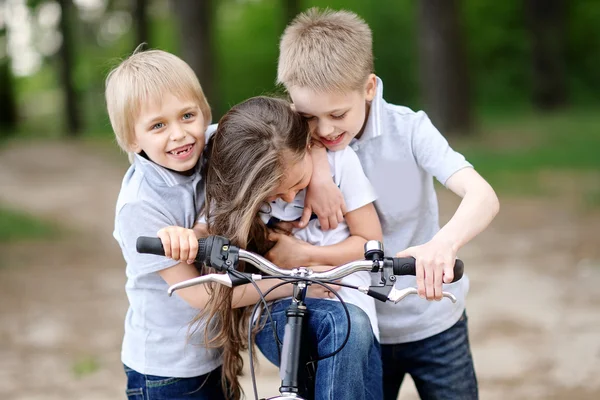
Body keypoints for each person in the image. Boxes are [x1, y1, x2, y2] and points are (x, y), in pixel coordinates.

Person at [268, 8, 500, 400]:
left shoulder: (409, 129)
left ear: (370, 87)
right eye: (309, 117)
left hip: (433, 319)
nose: (324, 131)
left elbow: (483, 196)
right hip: (358, 330)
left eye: (338, 114)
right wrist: (319, 167)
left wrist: (441, 245)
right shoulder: (290, 138)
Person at [107, 49, 321, 400]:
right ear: (133, 139)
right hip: (169, 368)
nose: (179, 135)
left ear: (204, 112)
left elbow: (298, 127)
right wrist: (288, 283)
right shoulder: (140, 205)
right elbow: (201, 295)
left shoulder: (216, 142)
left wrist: (322, 177)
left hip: (215, 354)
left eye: (187, 115)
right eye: (158, 125)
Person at [161, 96, 384, 399]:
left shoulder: (339, 164)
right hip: (278, 311)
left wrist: (306, 257)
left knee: (349, 327)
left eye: (297, 183)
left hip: (352, 308)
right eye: (274, 195)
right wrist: (185, 237)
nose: (290, 198)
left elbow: (372, 244)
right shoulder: (243, 175)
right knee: (343, 323)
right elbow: (205, 231)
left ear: (309, 146)